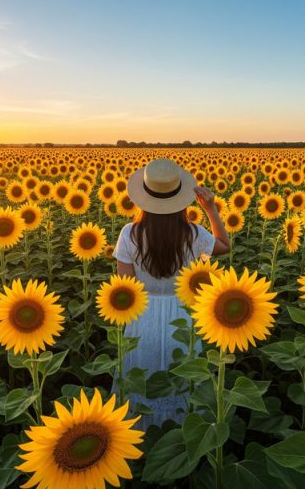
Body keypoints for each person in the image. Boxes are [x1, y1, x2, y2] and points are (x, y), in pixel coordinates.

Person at [112, 158, 230, 429]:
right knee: (182, 378)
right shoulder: (192, 234)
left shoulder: (129, 234)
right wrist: (211, 209)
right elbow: (224, 245)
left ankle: (141, 439)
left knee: (142, 380)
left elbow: (125, 287)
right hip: (182, 317)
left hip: (141, 317)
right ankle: (182, 436)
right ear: (180, 201)